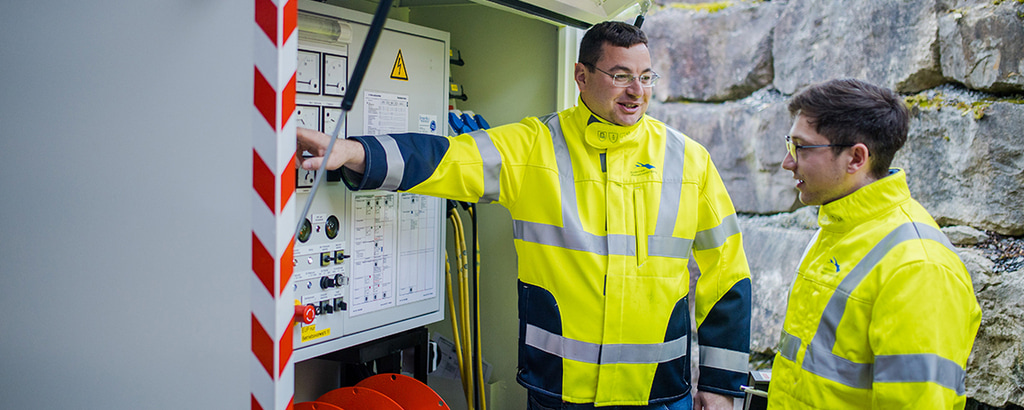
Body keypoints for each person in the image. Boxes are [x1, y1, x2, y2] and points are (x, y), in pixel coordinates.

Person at [298, 21, 751, 410]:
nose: (637, 91)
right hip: (560, 392)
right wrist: (354, 152)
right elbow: (447, 159)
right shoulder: (535, 147)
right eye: (621, 76)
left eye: (646, 77)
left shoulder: (689, 161)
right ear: (581, 75)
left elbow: (727, 273)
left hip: (660, 392)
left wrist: (720, 386)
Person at [768, 79, 981, 409]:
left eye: (801, 147)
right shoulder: (837, 227)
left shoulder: (919, 267)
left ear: (856, 158)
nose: (788, 161)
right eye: (789, 143)